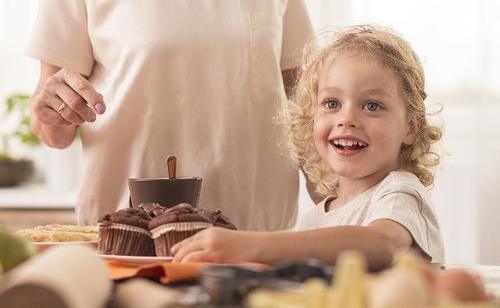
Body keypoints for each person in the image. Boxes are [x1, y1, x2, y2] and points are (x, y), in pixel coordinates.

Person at [171, 25, 445, 269]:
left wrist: (250, 245)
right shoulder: (315, 221)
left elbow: (383, 244)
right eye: (331, 103)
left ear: (411, 127)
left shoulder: (399, 192)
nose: (346, 119)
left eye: (372, 105)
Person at [26, 1, 314, 230]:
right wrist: (51, 111)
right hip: (128, 237)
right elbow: (52, 130)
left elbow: (304, 101)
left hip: (255, 234)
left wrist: (344, 202)